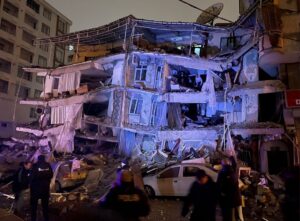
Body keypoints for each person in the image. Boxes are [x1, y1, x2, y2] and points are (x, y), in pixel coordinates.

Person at [30, 155, 53, 221]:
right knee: (45, 206)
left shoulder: (35, 165)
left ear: (38, 159)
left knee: (34, 207)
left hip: (35, 190)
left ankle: (33, 219)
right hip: (45, 189)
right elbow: (51, 174)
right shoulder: (48, 165)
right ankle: (46, 219)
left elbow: (32, 177)